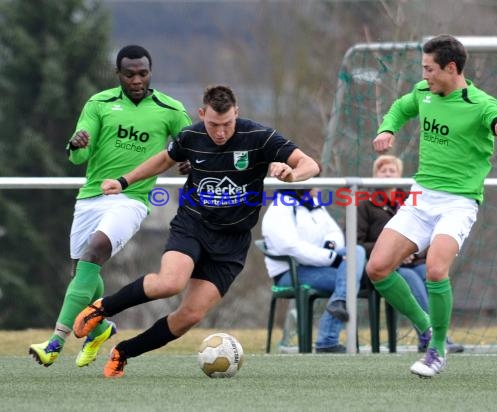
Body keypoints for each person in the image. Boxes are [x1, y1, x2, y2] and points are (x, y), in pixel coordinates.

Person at [72, 84, 320, 378]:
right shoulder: (191, 136)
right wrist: (124, 181)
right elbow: (165, 159)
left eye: (227, 124)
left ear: (237, 114)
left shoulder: (259, 137)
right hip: (193, 224)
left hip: (232, 241)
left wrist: (292, 174)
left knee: (190, 316)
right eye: (213, 124)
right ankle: (101, 310)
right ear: (202, 114)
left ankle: (123, 352)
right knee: (170, 283)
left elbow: (310, 165)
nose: (220, 132)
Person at [366, 34, 497, 378]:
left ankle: (436, 349)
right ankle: (426, 326)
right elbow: (400, 107)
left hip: (458, 202)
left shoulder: (482, 104)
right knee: (378, 268)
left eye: (429, 69)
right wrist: (388, 129)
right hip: (421, 197)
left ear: (451, 68)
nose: (424, 75)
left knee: (436, 271)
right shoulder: (424, 93)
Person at [29, 45, 191, 368]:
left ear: (150, 72)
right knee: (84, 272)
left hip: (131, 200)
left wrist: (190, 163)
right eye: (129, 74)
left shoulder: (170, 109)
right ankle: (101, 328)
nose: (136, 80)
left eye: (142, 74)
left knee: (95, 251)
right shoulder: (99, 103)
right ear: (118, 74)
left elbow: (191, 148)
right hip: (90, 197)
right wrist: (76, 144)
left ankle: (55, 342)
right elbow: (78, 155)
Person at [357, 155, 464, 353]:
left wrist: (412, 252)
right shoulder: (364, 203)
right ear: (374, 175)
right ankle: (427, 333)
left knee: (431, 272)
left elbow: (426, 232)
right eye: (383, 171)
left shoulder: (412, 200)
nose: (388, 174)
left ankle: (439, 336)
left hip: (414, 260)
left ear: (400, 174)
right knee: (410, 279)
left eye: (392, 170)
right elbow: (356, 242)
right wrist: (394, 250)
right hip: (388, 265)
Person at [262, 187, 365, 353]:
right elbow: (291, 248)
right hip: (291, 272)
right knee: (351, 281)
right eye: (314, 179)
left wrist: (329, 245)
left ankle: (338, 303)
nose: (319, 185)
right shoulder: (279, 208)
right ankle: (327, 340)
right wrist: (332, 258)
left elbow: (334, 231)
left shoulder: (315, 204)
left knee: (356, 251)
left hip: (319, 265)